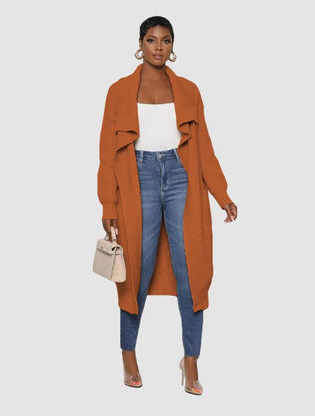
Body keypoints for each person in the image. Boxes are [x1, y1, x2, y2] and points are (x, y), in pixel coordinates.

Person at [97, 16, 237, 395]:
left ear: (172, 46)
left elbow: (203, 146)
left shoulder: (189, 90)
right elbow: (107, 153)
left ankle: (190, 360)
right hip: (137, 177)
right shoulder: (118, 91)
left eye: (165, 40)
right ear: (140, 44)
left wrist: (222, 194)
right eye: (151, 40)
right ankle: (128, 353)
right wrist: (108, 205)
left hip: (180, 176)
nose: (158, 47)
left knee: (191, 268)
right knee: (135, 271)